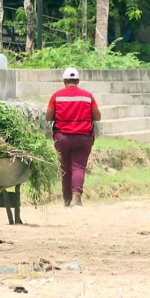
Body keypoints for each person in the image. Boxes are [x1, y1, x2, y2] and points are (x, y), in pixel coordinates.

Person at [46, 67, 101, 207]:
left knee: (65, 166)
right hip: (83, 138)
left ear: (64, 81)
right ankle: (76, 198)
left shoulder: (56, 96)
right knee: (79, 166)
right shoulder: (88, 96)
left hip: (62, 138)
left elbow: (48, 117)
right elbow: (97, 116)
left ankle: (66, 199)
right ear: (78, 81)